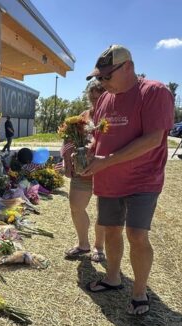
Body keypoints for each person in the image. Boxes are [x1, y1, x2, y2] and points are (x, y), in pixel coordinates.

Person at [81, 44, 174, 316]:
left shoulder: (154, 92)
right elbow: (98, 137)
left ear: (129, 67)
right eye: (99, 77)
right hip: (109, 179)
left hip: (142, 179)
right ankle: (113, 278)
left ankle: (139, 292)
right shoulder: (104, 100)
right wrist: (88, 152)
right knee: (111, 230)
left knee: (137, 234)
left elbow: (153, 139)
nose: (102, 82)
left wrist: (106, 160)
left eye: (107, 76)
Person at [61, 82, 106, 263]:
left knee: (104, 211)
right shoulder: (83, 117)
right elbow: (69, 139)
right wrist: (67, 161)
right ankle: (83, 244)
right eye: (92, 97)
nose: (95, 100)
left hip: (105, 170)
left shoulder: (113, 116)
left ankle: (99, 247)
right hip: (82, 170)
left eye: (99, 97)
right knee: (75, 206)